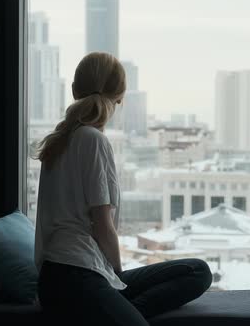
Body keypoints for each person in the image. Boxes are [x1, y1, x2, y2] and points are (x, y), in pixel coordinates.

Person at [33, 52, 212, 325]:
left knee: (197, 270)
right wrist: (116, 270)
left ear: (73, 91)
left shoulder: (57, 143)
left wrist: (111, 277)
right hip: (77, 276)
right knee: (195, 276)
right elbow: (102, 223)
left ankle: (111, 312)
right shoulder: (93, 140)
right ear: (119, 98)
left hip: (60, 276)